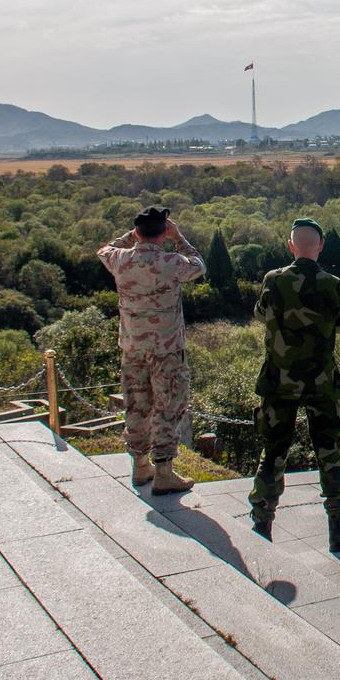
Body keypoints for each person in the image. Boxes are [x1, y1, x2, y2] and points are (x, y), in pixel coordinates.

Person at [249, 217, 340, 552]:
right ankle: (337, 528)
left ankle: (262, 523)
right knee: (328, 451)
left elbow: (259, 313)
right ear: (320, 246)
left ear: (290, 245)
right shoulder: (331, 283)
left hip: (279, 380)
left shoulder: (273, 280)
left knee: (273, 451)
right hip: (321, 382)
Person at [97, 207, 205, 494]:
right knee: (169, 406)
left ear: (136, 232)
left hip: (132, 347)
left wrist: (130, 237)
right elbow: (199, 264)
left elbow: (104, 249)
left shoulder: (120, 260)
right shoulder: (170, 261)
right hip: (167, 349)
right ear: (163, 232)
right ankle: (165, 471)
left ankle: (140, 464)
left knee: (136, 404)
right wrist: (179, 237)